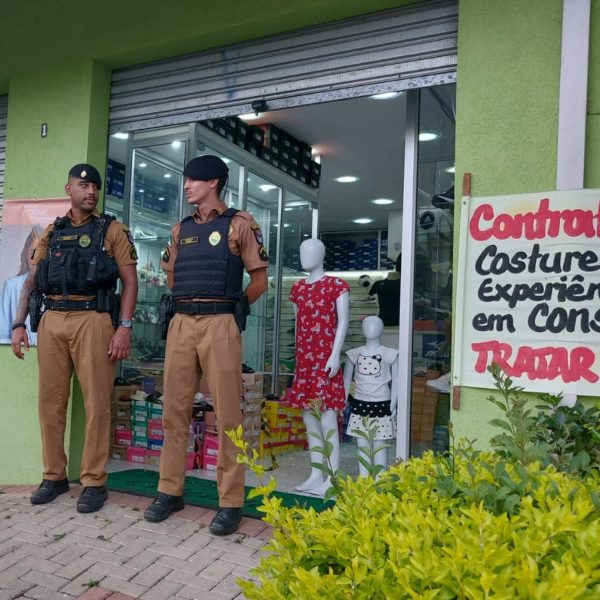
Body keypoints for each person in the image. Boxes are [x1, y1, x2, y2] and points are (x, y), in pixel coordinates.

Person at [143, 155, 268, 535]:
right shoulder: (180, 229)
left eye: (192, 180)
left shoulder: (240, 225)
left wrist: (232, 312)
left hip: (220, 324)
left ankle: (230, 501)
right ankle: (170, 491)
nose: (186, 186)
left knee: (228, 416)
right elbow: (171, 275)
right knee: (174, 411)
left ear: (213, 182)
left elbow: (259, 280)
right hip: (181, 323)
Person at [11, 164, 138, 513]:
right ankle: (53, 476)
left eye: (95, 186)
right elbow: (31, 281)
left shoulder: (111, 230)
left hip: (94, 320)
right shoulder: (52, 232)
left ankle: (94, 481)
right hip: (52, 320)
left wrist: (124, 326)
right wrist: (19, 323)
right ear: (68, 189)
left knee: (97, 402)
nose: (91, 191)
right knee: (50, 403)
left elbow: (130, 281)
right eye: (83, 185)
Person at [287, 238, 349, 497]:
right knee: (309, 419)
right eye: (302, 251)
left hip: (325, 361)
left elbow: (343, 321)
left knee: (327, 419)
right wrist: (297, 362)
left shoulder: (337, 286)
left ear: (321, 255)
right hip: (305, 360)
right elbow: (297, 324)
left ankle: (332, 477)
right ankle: (316, 473)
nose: (305, 256)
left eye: (310, 251)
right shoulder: (297, 289)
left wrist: (335, 355)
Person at [343, 316, 398, 477]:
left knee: (380, 444)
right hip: (359, 403)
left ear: (381, 329)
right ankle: (364, 479)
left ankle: (379, 479)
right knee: (362, 444)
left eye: (374, 325)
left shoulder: (389, 354)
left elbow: (397, 380)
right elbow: (347, 379)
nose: (370, 328)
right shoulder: (354, 354)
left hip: (382, 403)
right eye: (366, 325)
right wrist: (343, 401)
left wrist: (394, 402)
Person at [0, 226, 43, 344]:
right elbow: (3, 331)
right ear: (25, 254)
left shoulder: (56, 287)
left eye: (40, 252)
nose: (35, 258)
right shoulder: (11, 285)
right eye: (31, 252)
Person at [368, 253, 401, 327]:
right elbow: (370, 297)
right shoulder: (378, 284)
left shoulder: (405, 285)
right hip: (383, 321)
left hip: (401, 322)